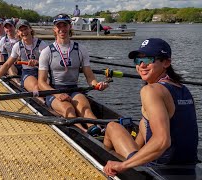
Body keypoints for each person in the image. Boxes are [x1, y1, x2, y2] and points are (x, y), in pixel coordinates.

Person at [103, 38, 198, 176]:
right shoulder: (183, 89)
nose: (141, 65)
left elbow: (162, 141)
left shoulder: (150, 90)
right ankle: (135, 153)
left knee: (112, 127)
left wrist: (123, 165)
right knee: (143, 122)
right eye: (137, 60)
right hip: (188, 164)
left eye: (148, 60)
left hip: (157, 167)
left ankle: (106, 166)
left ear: (166, 62)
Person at [38, 14, 108, 132]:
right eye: (58, 26)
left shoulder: (80, 49)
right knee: (68, 109)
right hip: (54, 91)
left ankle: (97, 129)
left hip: (74, 89)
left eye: (64, 25)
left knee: (85, 109)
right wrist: (57, 95)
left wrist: (96, 84)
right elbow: (41, 82)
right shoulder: (47, 52)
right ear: (54, 29)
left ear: (70, 27)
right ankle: (84, 132)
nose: (62, 29)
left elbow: (89, 76)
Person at [0, 19, 47, 92]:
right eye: (21, 30)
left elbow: (50, 63)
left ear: (30, 29)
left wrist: (37, 62)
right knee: (36, 88)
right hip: (28, 72)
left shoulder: (41, 44)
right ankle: (17, 84)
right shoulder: (17, 46)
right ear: (18, 33)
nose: (24, 32)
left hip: (42, 71)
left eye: (25, 29)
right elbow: (7, 64)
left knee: (46, 87)